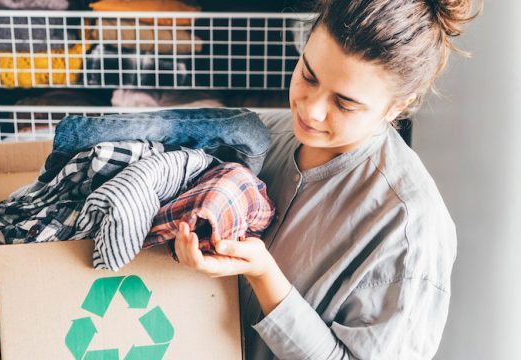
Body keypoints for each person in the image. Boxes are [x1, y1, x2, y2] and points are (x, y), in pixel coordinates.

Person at [174, 0, 481, 358]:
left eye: (345, 103)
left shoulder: (409, 230)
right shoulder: (265, 135)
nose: (311, 109)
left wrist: (265, 277)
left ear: (398, 105)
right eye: (308, 75)